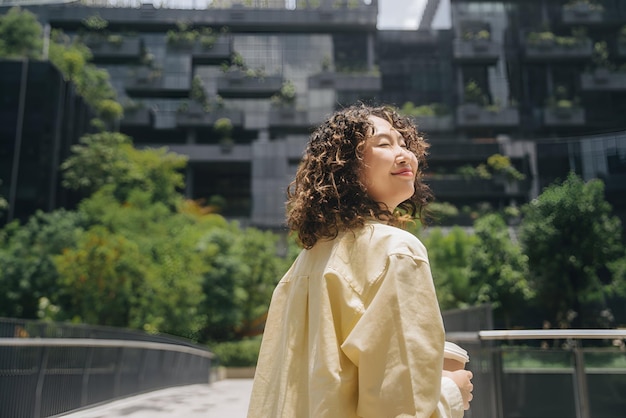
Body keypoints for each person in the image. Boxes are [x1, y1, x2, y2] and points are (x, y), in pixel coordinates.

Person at [247, 103, 473, 418]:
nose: (404, 154)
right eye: (384, 144)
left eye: (404, 144)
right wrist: (451, 392)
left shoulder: (301, 266)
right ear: (347, 168)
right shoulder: (397, 250)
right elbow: (399, 406)